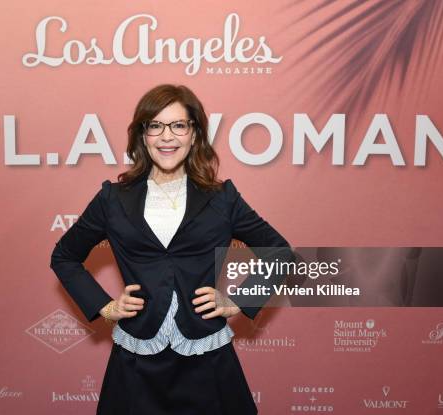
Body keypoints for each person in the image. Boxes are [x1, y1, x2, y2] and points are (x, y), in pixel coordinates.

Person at [50, 84, 291, 414]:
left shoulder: (223, 198)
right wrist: (104, 307)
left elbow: (280, 252)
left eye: (179, 125)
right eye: (156, 126)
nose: (167, 137)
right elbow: (64, 257)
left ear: (194, 135)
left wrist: (238, 301)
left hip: (206, 359)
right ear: (142, 135)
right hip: (137, 362)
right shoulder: (113, 199)